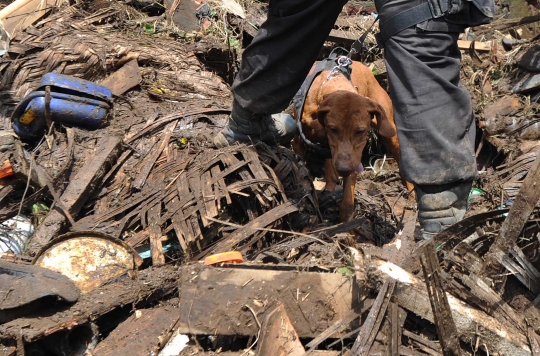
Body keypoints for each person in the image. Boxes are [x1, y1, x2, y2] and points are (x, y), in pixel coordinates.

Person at [213, 0, 495, 240]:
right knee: (420, 21)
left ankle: (245, 120)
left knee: (298, 14)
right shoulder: (315, 109)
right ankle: (442, 206)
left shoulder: (368, 98)